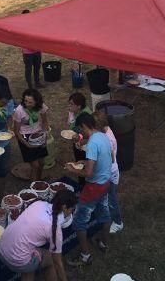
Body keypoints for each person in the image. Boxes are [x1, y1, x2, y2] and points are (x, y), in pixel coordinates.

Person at [65, 112, 112, 267]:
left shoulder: (92, 143)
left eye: (80, 130)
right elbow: (108, 158)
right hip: (106, 183)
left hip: (93, 187)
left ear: (84, 126)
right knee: (104, 213)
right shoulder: (103, 136)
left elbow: (88, 173)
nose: (80, 133)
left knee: (79, 221)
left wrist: (73, 169)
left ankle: (85, 256)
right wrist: (84, 161)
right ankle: (104, 244)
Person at [0, 189, 77, 281]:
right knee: (51, 260)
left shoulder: (38, 203)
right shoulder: (55, 229)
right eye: (72, 209)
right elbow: (57, 262)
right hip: (17, 260)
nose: (71, 212)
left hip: (1, 247)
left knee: (31, 261)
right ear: (64, 207)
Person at [93, 110, 123, 234]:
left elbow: (109, 160)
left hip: (109, 173)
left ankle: (118, 222)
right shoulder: (104, 131)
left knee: (112, 199)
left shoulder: (108, 140)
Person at [13, 88, 49, 181]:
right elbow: (16, 131)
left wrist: (44, 136)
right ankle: (34, 187)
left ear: (36, 102)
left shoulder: (41, 106)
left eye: (30, 102)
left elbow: (45, 122)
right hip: (25, 136)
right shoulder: (19, 111)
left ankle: (39, 180)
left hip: (38, 134)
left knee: (41, 162)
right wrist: (27, 144)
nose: (27, 104)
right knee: (35, 165)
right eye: (25, 101)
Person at [67, 93, 92, 181]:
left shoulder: (86, 114)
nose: (69, 106)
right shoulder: (73, 111)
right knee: (79, 161)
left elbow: (88, 132)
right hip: (77, 140)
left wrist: (80, 138)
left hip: (85, 144)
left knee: (85, 163)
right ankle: (81, 181)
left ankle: (84, 182)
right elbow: (70, 124)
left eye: (71, 104)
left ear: (79, 106)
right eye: (69, 103)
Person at [21, 9, 44, 89]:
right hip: (27, 53)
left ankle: (37, 82)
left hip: (37, 50)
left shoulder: (35, 24)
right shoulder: (21, 27)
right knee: (28, 69)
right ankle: (30, 85)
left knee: (37, 67)